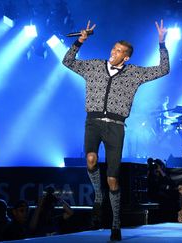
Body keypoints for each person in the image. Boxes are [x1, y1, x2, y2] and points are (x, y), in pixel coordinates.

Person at [62, 20, 169, 241]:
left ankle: (116, 222)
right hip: (92, 122)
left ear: (126, 57)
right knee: (91, 159)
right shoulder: (93, 66)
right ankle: (98, 196)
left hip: (116, 127)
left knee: (113, 179)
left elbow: (163, 69)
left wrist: (161, 43)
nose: (114, 52)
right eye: (113, 48)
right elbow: (68, 61)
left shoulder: (134, 73)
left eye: (119, 51)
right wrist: (79, 41)